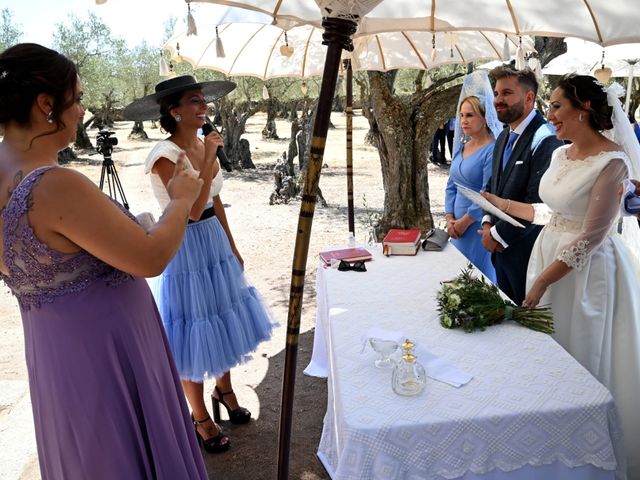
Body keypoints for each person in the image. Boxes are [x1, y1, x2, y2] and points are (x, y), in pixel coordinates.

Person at [0, 44, 208, 479]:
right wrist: (182, 199)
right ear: (46, 104)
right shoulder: (54, 185)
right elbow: (150, 258)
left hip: (55, 354)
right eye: (77, 99)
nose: (82, 111)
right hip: (108, 354)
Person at [481, 75, 640, 478]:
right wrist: (503, 204)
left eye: (557, 107)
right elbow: (551, 212)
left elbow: (590, 234)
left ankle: (590, 458)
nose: (550, 115)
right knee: (547, 360)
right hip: (547, 256)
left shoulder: (613, 162)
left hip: (586, 275)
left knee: (582, 355)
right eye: (550, 107)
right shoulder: (560, 155)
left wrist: (541, 282)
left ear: (584, 108)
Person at [122, 75, 276, 454]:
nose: (202, 105)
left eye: (202, 99)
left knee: (222, 316)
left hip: (213, 242)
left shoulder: (201, 142)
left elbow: (215, 202)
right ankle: (199, 416)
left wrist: (232, 244)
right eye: (194, 100)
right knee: (194, 326)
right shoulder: (164, 155)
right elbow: (190, 210)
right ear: (174, 111)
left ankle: (224, 390)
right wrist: (208, 156)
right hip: (184, 243)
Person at [479, 66, 563, 305]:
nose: (498, 100)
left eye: (506, 93)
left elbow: (538, 203)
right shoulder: (504, 135)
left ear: (529, 97)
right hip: (500, 252)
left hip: (526, 253)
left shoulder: (546, 139)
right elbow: (492, 185)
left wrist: (497, 235)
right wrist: (487, 224)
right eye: (496, 93)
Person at [444, 71, 503, 282]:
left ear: (485, 117)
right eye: (461, 115)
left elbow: (488, 192)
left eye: (470, 115)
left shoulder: (493, 150)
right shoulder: (462, 146)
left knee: (478, 280)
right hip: (456, 229)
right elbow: (451, 185)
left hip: (477, 228)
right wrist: (450, 217)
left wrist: (464, 222)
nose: (463, 121)